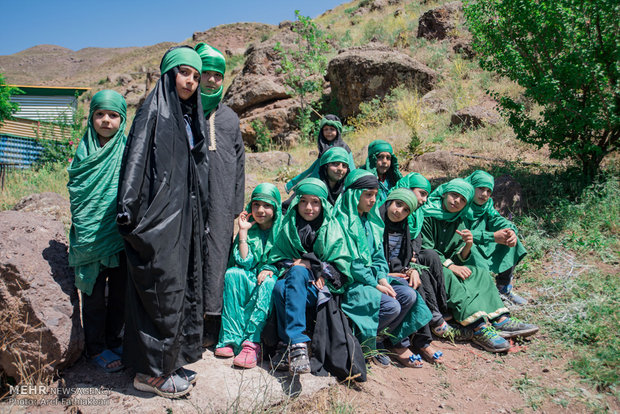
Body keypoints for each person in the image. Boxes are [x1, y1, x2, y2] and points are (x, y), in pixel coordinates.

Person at [117, 46, 209, 398]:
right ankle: (150, 374)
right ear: (169, 73)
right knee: (161, 292)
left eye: (196, 76)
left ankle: (170, 361)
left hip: (182, 219)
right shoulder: (152, 111)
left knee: (180, 290)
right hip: (158, 220)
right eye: (185, 72)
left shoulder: (187, 116)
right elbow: (136, 159)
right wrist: (128, 208)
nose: (191, 81)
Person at [420, 179, 538, 353]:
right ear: (445, 194)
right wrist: (452, 266)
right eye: (454, 195)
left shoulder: (458, 219)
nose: (456, 201)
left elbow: (456, 252)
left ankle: (501, 319)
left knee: (480, 274)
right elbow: (426, 249)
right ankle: (479, 327)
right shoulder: (428, 215)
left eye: (462, 199)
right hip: (430, 266)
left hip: (449, 263)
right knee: (451, 276)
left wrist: (467, 245)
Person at [334, 170, 431, 368]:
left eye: (375, 195)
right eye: (367, 194)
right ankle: (364, 341)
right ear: (354, 193)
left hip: (371, 278)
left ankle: (378, 337)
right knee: (391, 306)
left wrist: (383, 279)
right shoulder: (341, 221)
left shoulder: (371, 221)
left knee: (409, 295)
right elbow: (350, 264)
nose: (372, 200)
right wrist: (375, 284)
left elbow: (378, 255)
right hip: (352, 282)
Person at [67, 90, 128, 374]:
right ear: (91, 118)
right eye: (100, 114)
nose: (106, 120)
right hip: (90, 237)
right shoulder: (83, 152)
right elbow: (79, 194)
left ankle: (115, 341)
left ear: (122, 119)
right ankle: (95, 347)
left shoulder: (128, 150)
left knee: (119, 293)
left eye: (113, 115)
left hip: (118, 234)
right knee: (91, 295)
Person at [267, 178, 353, 375]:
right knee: (281, 288)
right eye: (303, 201)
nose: (309, 207)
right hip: (294, 285)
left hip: (319, 288)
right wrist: (302, 266)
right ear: (296, 203)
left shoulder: (331, 228)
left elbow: (341, 265)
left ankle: (295, 342)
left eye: (315, 202)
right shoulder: (288, 227)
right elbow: (279, 257)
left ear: (323, 204)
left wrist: (314, 266)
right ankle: (289, 346)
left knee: (296, 273)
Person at [194, 42, 246, 345]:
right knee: (193, 257)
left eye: (218, 75)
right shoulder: (185, 111)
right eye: (206, 74)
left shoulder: (230, 118)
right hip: (191, 201)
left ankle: (213, 323)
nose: (212, 80)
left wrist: (237, 206)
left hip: (224, 202)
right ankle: (192, 320)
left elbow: (239, 164)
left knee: (217, 258)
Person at [392, 173, 468, 344]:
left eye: (427, 194)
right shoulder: (392, 210)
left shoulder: (417, 214)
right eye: (422, 193)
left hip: (408, 259)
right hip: (392, 264)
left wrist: (413, 256)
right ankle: (434, 323)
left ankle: (441, 310)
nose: (425, 200)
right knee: (420, 271)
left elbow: (417, 241)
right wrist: (409, 262)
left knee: (431, 256)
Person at [214, 183, 281, 369]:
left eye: (267, 205)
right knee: (233, 274)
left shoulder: (283, 230)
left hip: (270, 282)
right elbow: (244, 262)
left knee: (268, 282)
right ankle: (230, 338)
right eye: (256, 205)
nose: (260, 210)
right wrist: (242, 231)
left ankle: (252, 343)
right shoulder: (250, 229)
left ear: (275, 208)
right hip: (250, 278)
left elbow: (286, 260)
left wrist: (271, 269)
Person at [378, 188, 446, 364]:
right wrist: (388, 273)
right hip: (378, 274)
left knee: (417, 281)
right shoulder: (375, 223)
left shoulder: (404, 227)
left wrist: (409, 270)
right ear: (389, 202)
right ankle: (400, 343)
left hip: (395, 272)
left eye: (406, 209)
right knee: (409, 291)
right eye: (398, 204)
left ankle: (422, 340)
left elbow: (402, 259)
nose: (399, 211)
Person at [464, 170, 528, 305]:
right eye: (480, 189)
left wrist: (510, 230)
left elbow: (497, 220)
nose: (484, 194)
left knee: (510, 241)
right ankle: (484, 293)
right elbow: (459, 233)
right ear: (471, 187)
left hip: (483, 240)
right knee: (472, 250)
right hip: (462, 246)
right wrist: (492, 237)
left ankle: (503, 287)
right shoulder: (460, 203)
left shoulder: (486, 206)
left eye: (488, 191)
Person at [284, 115, 355, 193]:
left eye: (332, 129)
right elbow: (315, 168)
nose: (329, 132)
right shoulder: (324, 146)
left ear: (338, 131)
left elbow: (351, 169)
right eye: (325, 129)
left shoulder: (344, 148)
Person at [281, 146, 352, 214]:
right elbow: (285, 209)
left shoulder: (345, 191)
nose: (340, 169)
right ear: (325, 166)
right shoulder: (312, 187)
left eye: (344, 165)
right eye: (335, 164)